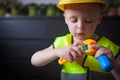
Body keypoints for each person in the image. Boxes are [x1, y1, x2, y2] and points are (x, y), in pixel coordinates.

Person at [31, 0, 120, 80]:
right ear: (65, 18)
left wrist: (114, 65)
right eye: (74, 20)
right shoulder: (62, 43)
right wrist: (56, 52)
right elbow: (34, 60)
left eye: (88, 21)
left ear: (99, 19)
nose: (80, 26)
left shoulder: (108, 48)